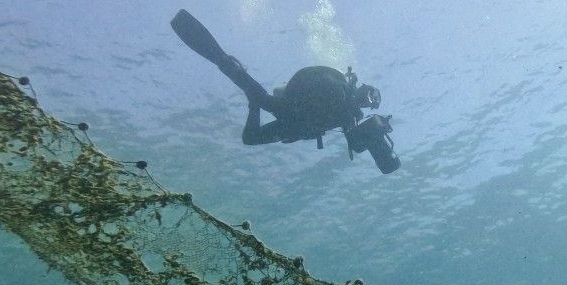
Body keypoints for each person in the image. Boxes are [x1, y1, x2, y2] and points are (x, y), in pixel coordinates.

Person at [171, 9, 401, 173]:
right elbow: (355, 143)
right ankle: (241, 83)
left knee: (252, 121)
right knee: (252, 115)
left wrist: (373, 137)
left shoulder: (350, 113)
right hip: (294, 117)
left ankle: (245, 89)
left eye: (372, 100)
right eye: (370, 96)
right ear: (361, 90)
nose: (368, 101)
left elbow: (356, 143)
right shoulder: (346, 102)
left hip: (293, 119)